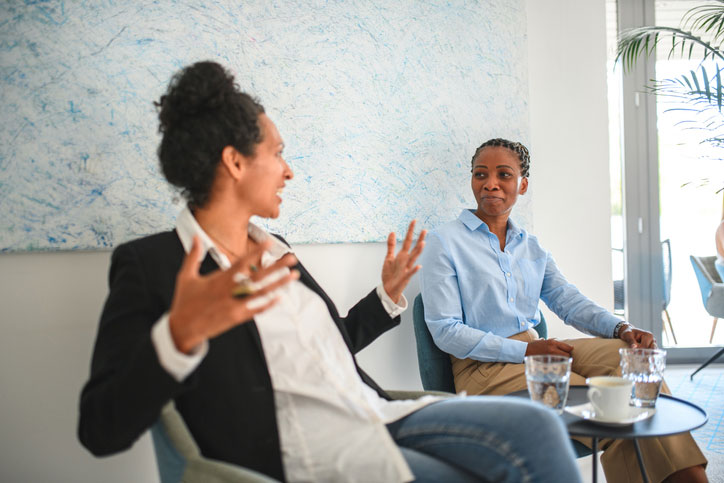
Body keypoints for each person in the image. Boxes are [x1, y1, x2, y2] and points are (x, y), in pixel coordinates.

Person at [78, 62, 582, 482]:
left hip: (373, 413)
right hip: (304, 450)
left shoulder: (274, 250)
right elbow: (101, 429)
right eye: (276, 153)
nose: (288, 170)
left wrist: (384, 297)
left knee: (537, 425)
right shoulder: (152, 266)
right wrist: (178, 337)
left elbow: (325, 349)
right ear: (234, 162)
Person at [419, 138, 708, 483]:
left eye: (503, 174)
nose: (490, 183)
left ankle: (687, 475)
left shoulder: (531, 246)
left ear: (522, 185)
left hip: (538, 353)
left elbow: (568, 300)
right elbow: (445, 329)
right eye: (481, 174)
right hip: (485, 369)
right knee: (606, 405)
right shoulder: (444, 241)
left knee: (628, 359)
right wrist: (526, 351)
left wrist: (621, 328)